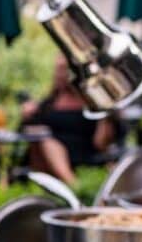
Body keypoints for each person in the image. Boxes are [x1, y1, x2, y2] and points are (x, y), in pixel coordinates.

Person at [22, 56, 118, 185]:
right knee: (48, 143)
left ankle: (75, 187)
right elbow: (30, 128)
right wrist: (28, 115)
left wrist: (105, 114)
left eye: (64, 69)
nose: (60, 74)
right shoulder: (49, 102)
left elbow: (100, 143)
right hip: (50, 154)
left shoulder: (93, 103)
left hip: (86, 153)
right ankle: (74, 186)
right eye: (58, 69)